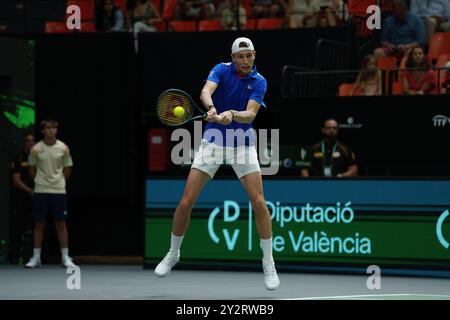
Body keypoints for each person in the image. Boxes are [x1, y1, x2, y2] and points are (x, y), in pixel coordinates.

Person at [154, 37, 280, 291]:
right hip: (213, 142)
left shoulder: (259, 81)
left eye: (249, 55)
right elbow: (205, 91)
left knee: (258, 202)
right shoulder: (221, 69)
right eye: (240, 56)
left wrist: (232, 114)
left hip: (243, 144)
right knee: (186, 201)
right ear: (233, 58)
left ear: (254, 55)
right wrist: (212, 108)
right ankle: (173, 253)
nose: (245, 60)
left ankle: (268, 261)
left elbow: (251, 114)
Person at [25, 119, 75, 268]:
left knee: (61, 223)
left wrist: (58, 182)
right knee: (39, 223)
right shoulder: (36, 149)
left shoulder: (64, 148)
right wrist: (41, 182)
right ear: (42, 131)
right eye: (48, 128)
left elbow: (67, 169)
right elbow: (31, 170)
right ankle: (36, 257)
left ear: (56, 130)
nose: (51, 130)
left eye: (54, 128)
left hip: (58, 191)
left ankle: (65, 257)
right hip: (41, 190)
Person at [9, 133, 35, 264]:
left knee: (37, 226)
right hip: (21, 198)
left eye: (32, 141)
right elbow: (16, 181)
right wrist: (29, 190)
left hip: (38, 197)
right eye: (27, 141)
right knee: (18, 226)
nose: (30, 143)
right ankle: (14, 256)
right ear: (24, 143)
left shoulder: (39, 157)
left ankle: (36, 255)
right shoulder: (18, 158)